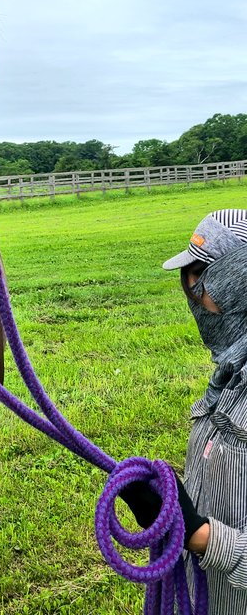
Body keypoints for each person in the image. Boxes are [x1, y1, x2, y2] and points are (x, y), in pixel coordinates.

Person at [126, 208, 247, 612]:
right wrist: (174, 504)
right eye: (186, 274)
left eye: (200, 274)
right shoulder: (230, 374)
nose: (189, 289)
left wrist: (198, 534)